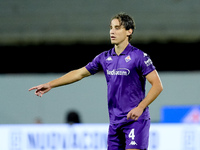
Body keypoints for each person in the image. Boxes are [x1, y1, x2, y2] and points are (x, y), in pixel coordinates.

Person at [29, 13, 163, 150]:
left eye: (117, 28)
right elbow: (79, 73)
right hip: (115, 122)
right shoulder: (104, 58)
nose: (112, 31)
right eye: (111, 27)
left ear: (129, 31)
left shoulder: (138, 56)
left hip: (135, 121)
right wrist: (50, 84)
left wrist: (140, 107)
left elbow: (158, 85)